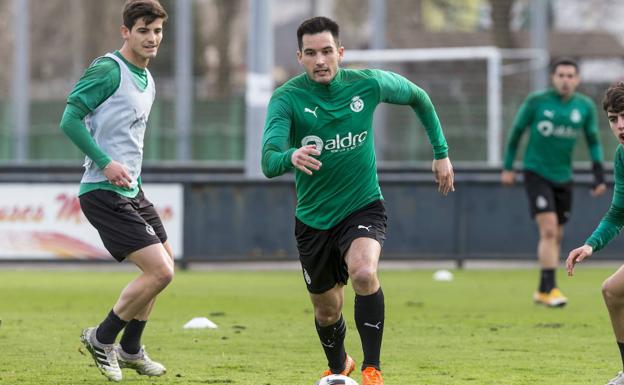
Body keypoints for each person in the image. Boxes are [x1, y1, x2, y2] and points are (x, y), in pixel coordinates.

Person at [261, 16, 454, 385]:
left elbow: (419, 97)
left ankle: (372, 369)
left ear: (341, 53)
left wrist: (440, 152)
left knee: (365, 272)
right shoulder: (286, 98)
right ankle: (339, 366)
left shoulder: (367, 84)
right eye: (312, 53)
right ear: (299, 57)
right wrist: (290, 157)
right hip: (314, 219)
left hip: (362, 205)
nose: (321, 60)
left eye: (327, 51)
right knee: (326, 309)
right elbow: (268, 160)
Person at [59, 0, 172, 382]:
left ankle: (130, 348)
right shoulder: (109, 70)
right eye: (143, 30)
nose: (152, 38)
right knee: (159, 271)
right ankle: (101, 337)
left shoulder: (148, 79)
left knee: (165, 265)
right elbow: (69, 119)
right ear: (125, 32)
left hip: (132, 190)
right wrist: (105, 161)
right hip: (102, 189)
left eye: (157, 31)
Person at [501, 57, 607, 307]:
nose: (566, 80)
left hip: (563, 177)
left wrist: (598, 175)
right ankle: (551, 289)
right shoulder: (537, 102)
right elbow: (516, 133)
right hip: (536, 172)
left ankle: (541, 289)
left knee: (557, 234)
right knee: (548, 229)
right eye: (561, 75)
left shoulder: (584, 106)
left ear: (577, 80)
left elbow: (592, 140)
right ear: (553, 78)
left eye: (571, 76)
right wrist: (508, 167)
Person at [567, 81, 624, 385]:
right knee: (612, 291)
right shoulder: (622, 156)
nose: (621, 125)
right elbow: (618, 213)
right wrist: (590, 245)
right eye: (614, 119)